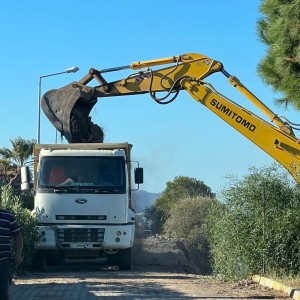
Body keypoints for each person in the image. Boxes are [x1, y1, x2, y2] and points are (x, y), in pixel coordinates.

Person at [0, 208, 23, 300]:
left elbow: (18, 237)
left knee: (2, 294)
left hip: (3, 262)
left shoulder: (8, 217)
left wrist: (18, 255)